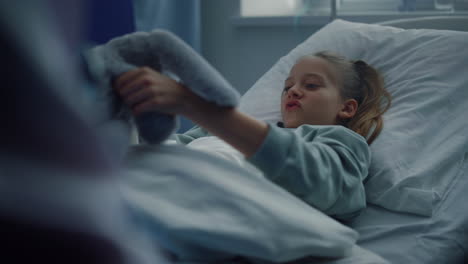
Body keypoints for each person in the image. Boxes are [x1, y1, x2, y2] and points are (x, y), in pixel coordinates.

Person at [113, 51, 392, 220]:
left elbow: (323, 186)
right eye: (288, 86)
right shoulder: (225, 130)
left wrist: (197, 106)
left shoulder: (341, 142)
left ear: (346, 107)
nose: (293, 91)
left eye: (311, 85)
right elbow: (164, 152)